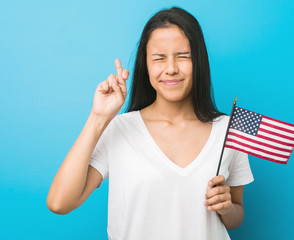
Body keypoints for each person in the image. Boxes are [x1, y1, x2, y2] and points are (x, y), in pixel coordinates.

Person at [47, 7, 253, 240]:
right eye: (159, 58)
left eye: (184, 56)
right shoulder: (120, 129)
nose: (171, 68)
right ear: (145, 65)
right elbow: (59, 202)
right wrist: (99, 118)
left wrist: (227, 208)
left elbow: (237, 216)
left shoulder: (229, 130)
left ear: (200, 60)